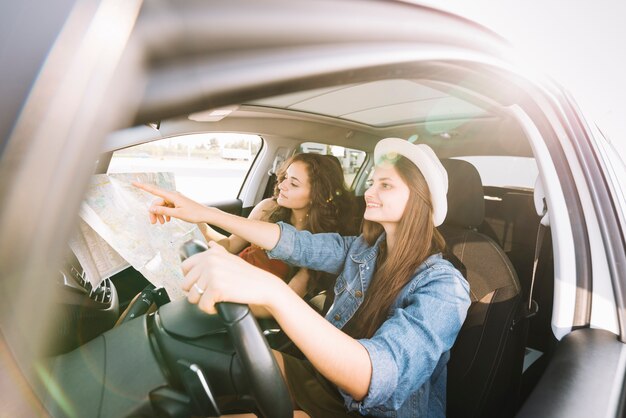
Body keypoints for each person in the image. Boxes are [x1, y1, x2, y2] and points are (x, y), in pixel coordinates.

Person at [135, 138, 471, 417]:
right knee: (212, 363)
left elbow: (374, 377)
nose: (369, 192)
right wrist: (201, 212)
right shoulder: (363, 250)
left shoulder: (445, 288)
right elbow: (293, 243)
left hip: (371, 411)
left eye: (385, 185)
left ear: (419, 200)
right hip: (326, 382)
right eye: (372, 182)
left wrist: (272, 292)